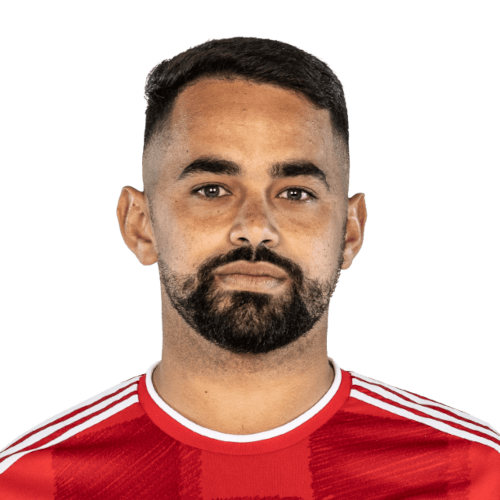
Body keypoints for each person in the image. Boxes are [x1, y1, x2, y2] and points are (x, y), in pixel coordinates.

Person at [1, 36, 498, 499]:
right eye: (212, 189)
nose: (256, 228)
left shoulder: (475, 474)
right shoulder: (28, 482)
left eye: (295, 193)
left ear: (350, 232)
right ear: (140, 225)